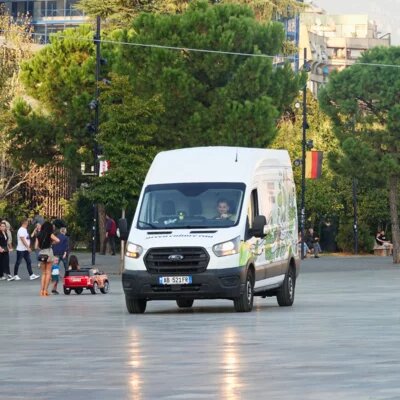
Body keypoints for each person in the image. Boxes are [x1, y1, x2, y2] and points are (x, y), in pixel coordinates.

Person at [36, 221, 60, 296]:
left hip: (41, 253)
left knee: (43, 273)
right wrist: (51, 243)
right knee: (48, 272)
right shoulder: (50, 234)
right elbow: (58, 240)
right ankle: (45, 290)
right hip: (48, 252)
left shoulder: (38, 234)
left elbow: (36, 247)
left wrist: (41, 247)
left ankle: (41, 290)